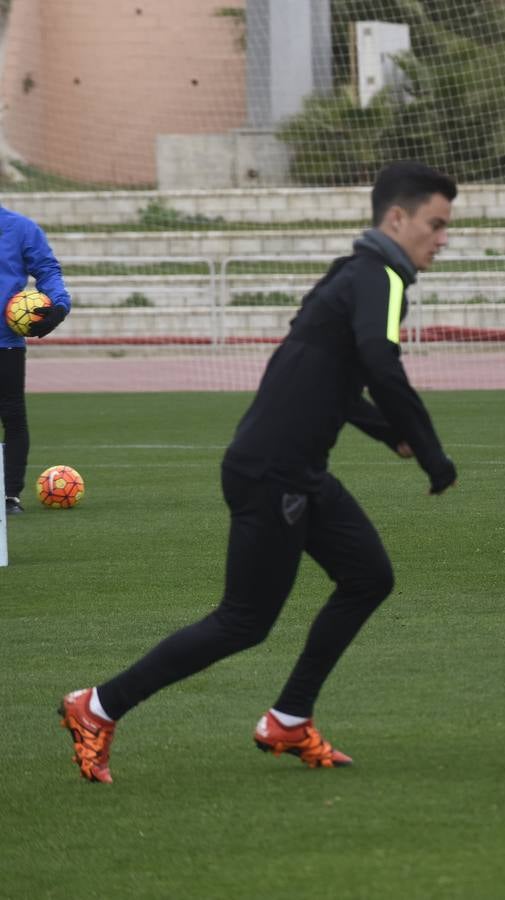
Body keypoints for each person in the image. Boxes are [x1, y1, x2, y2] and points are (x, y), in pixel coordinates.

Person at [59, 162, 460, 783]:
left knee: (368, 577)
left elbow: (334, 383)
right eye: (435, 224)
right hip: (273, 474)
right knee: (243, 621)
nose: (442, 238)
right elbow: (380, 366)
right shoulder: (378, 276)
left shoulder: (350, 276)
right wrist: (433, 454)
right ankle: (98, 706)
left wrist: (393, 435)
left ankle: (289, 718)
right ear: (397, 219)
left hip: (295, 471)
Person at [0, 205, 73, 515]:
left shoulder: (20, 228)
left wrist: (58, 307)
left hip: (6, 343)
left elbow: (47, 270)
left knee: (12, 416)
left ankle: (8, 496)